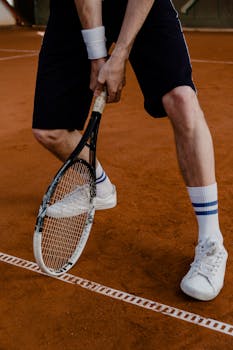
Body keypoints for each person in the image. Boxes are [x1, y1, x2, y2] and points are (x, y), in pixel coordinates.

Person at [32, 0, 228, 301]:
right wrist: (97, 55)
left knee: (181, 100)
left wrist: (121, 51)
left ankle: (212, 242)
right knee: (50, 131)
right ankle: (99, 186)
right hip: (74, 9)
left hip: (139, 5)